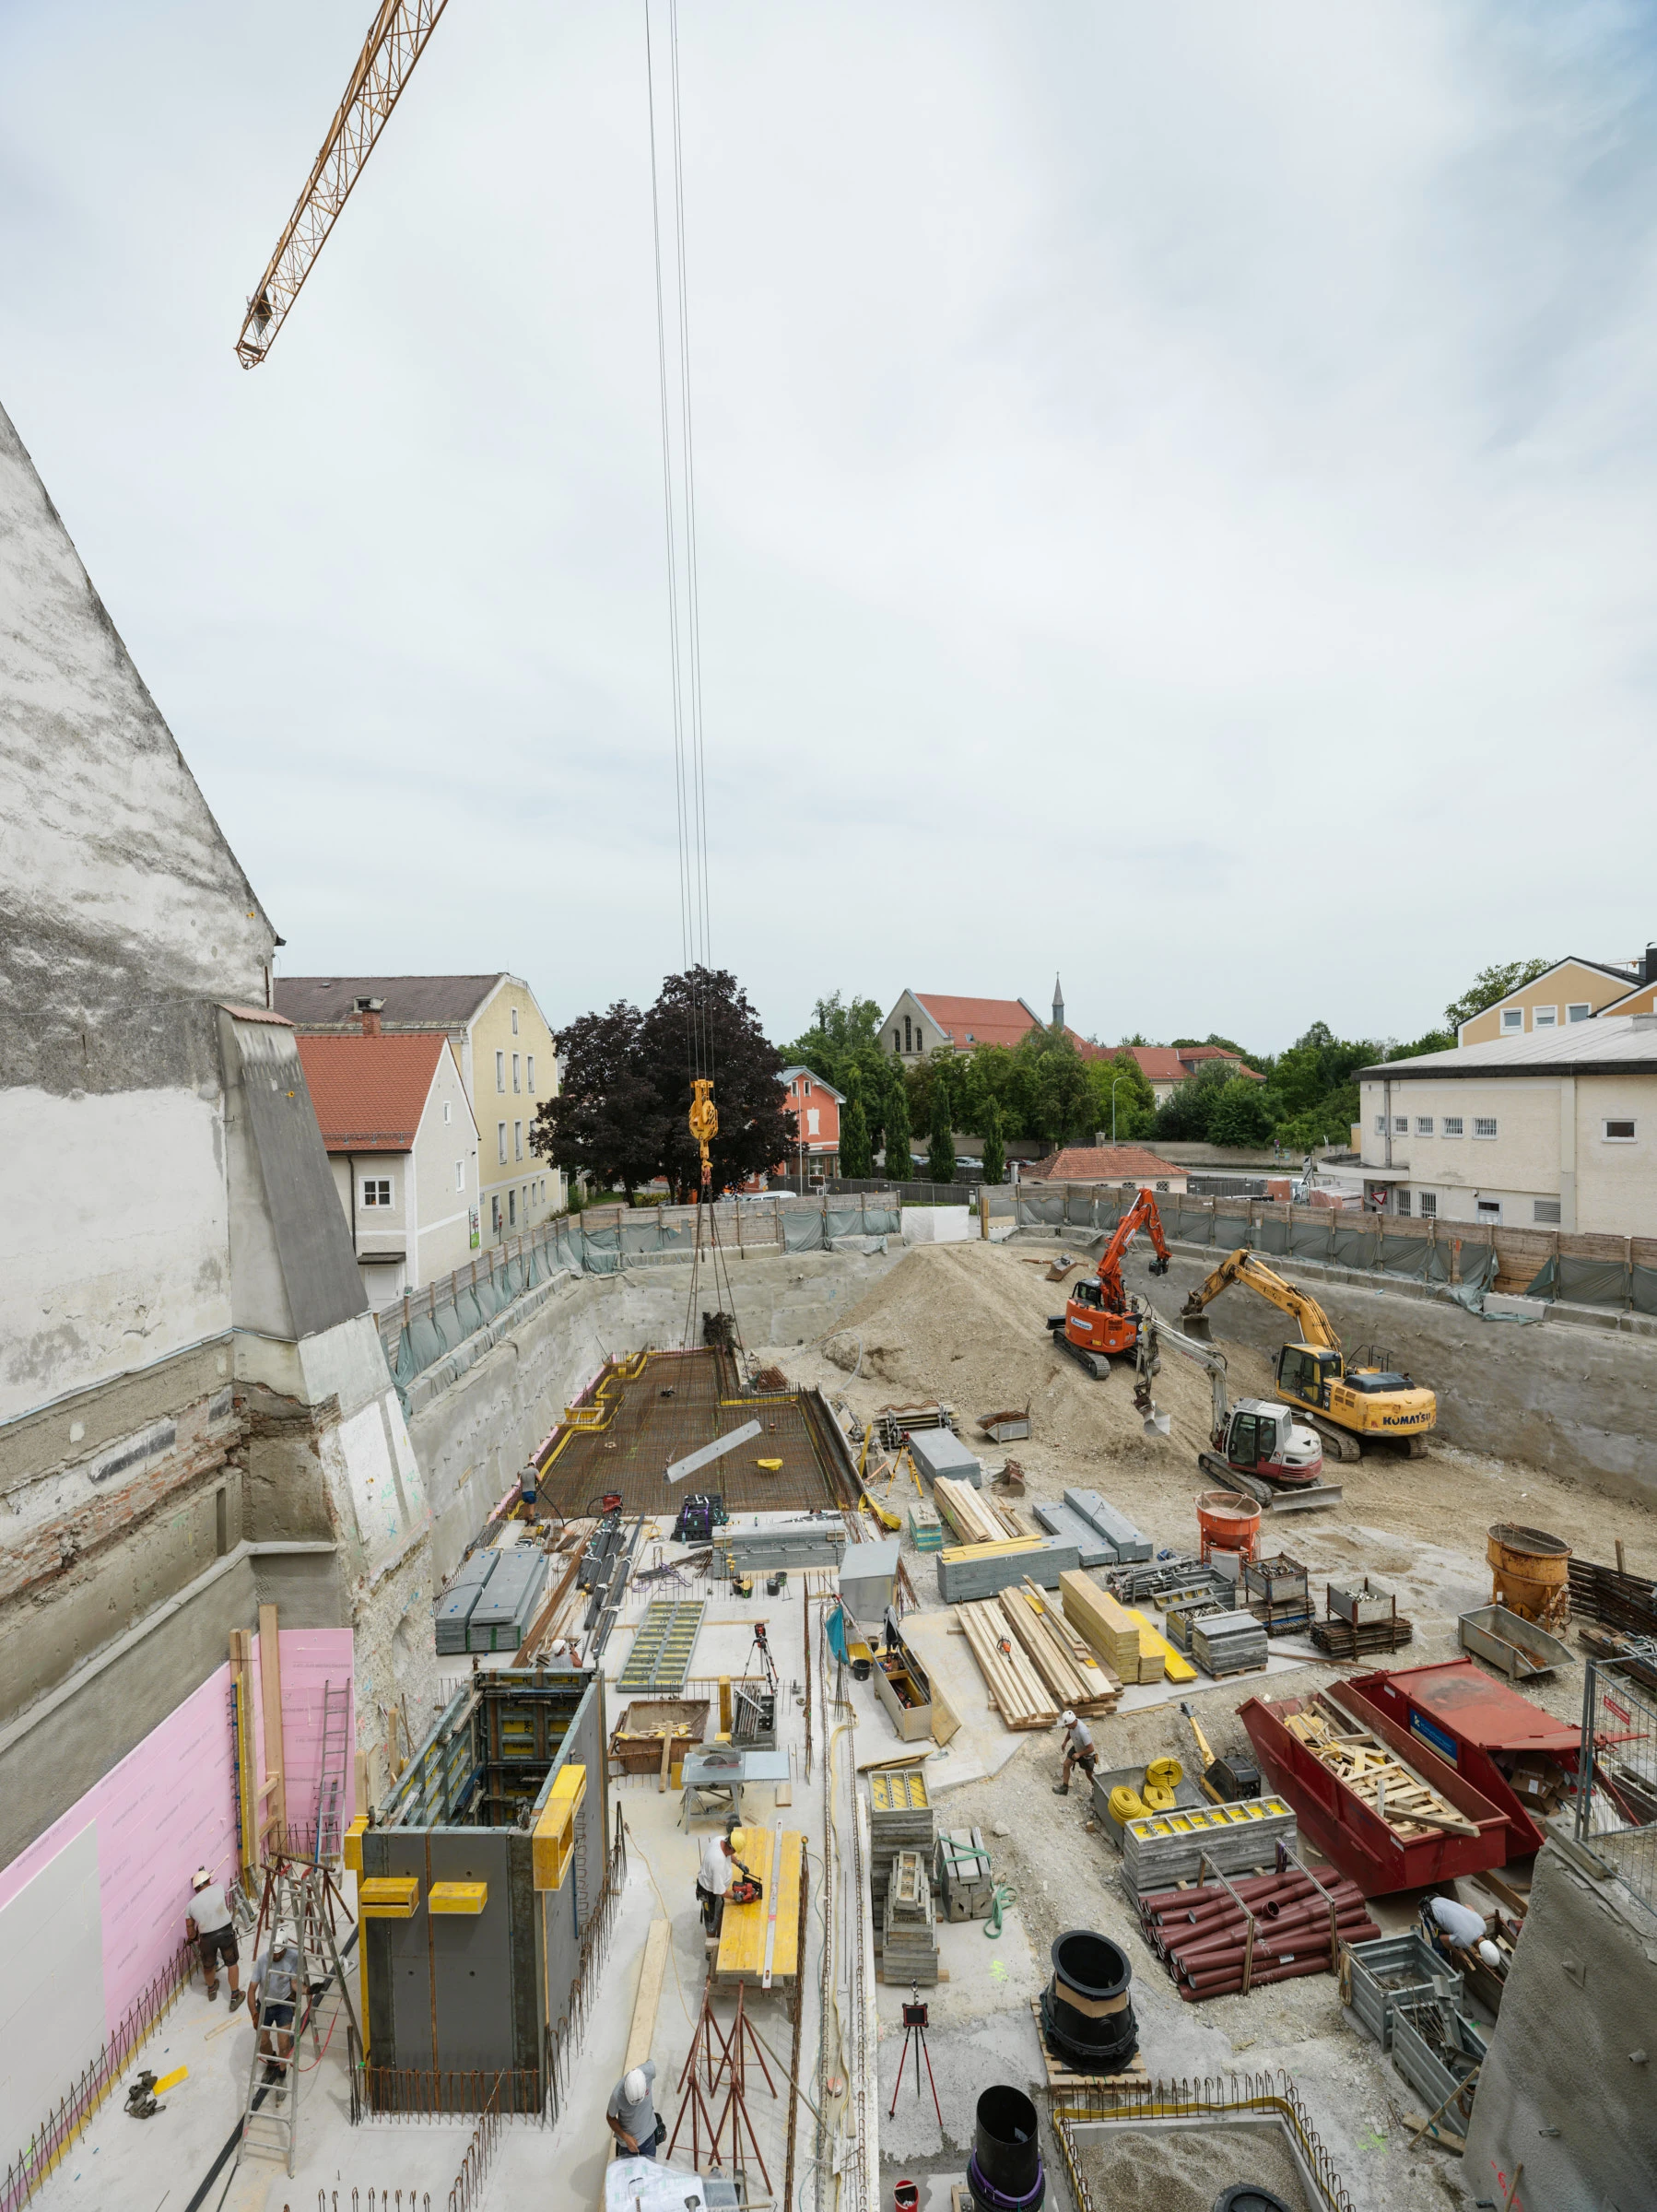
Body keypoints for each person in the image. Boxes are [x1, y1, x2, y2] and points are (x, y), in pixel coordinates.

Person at [248, 1925, 302, 2086]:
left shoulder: (293, 1958)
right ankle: (272, 2062)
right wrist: (254, 2014)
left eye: (279, 1952)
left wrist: (307, 1989)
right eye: (274, 1952)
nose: (276, 1955)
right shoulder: (262, 1960)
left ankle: (282, 2071)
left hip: (283, 2004)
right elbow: (251, 1990)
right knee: (263, 2042)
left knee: (284, 2044)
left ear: (285, 1948)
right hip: (264, 2005)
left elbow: (294, 1984)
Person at [186, 1867, 242, 2008]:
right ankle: (235, 1995)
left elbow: (191, 1933)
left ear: (195, 1889)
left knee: (208, 1965)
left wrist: (194, 1936)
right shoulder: (218, 1888)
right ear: (209, 1881)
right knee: (231, 1963)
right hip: (225, 1932)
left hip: (207, 1938)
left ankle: (211, 1990)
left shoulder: (190, 1906)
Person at [605, 2062, 662, 2160]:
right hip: (627, 2145)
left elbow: (651, 2063)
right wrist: (625, 2137)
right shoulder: (617, 2096)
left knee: (650, 2171)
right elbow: (610, 2118)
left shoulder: (649, 2071)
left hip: (648, 2137)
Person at [697, 1827, 736, 1936]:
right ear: (730, 1848)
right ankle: (711, 1946)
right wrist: (735, 1897)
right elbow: (719, 1891)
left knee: (719, 1913)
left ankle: (720, 1936)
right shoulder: (717, 1861)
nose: (733, 1854)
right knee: (711, 1922)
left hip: (717, 1888)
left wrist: (739, 1863)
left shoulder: (721, 1840)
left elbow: (730, 1855)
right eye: (734, 1851)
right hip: (709, 1892)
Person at [1053, 1711, 1098, 1795]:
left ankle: (1097, 1790)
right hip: (1077, 1748)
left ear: (1072, 1723)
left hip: (1087, 1755)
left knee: (1089, 1775)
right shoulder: (1072, 1726)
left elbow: (1091, 1749)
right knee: (1066, 1765)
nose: (1066, 1727)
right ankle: (1064, 1788)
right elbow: (1070, 1732)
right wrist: (1065, 1742)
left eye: (1067, 1725)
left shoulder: (1083, 1731)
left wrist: (1079, 1755)